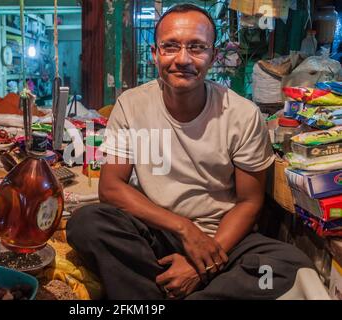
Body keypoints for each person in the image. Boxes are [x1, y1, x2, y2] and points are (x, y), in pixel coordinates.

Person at [67, 4, 313, 300]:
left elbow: (249, 203)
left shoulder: (242, 114)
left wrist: (202, 264)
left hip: (223, 240)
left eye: (197, 47)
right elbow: (111, 188)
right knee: (87, 223)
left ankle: (161, 291)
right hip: (157, 231)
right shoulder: (131, 105)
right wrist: (184, 229)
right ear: (155, 53)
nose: (182, 59)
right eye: (170, 47)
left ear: (214, 55)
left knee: (287, 266)